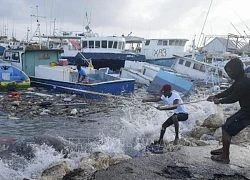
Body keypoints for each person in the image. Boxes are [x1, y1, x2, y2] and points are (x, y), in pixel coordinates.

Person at [207, 58, 250, 164]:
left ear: (237, 70)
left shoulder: (242, 83)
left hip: (248, 112)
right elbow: (230, 91)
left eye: (230, 72)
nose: (229, 74)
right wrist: (216, 95)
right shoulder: (241, 79)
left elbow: (233, 98)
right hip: (246, 109)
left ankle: (225, 156)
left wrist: (219, 101)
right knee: (227, 123)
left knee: (226, 128)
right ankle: (224, 149)